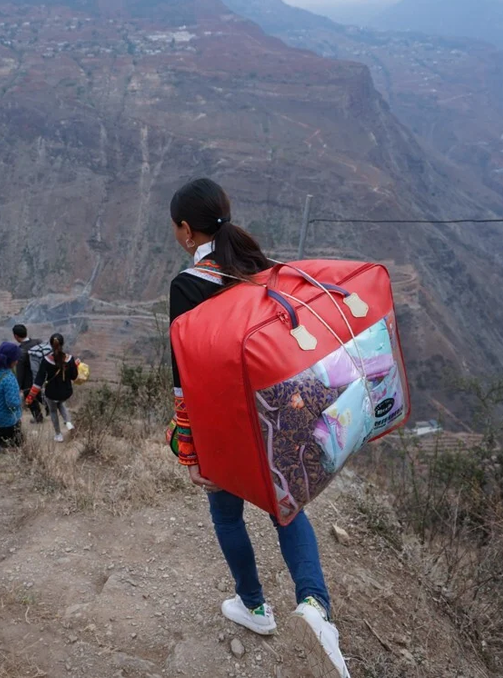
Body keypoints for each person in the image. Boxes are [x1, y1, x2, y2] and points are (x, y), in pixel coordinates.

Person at [167, 178, 349, 677]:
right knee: (287, 511)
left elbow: (185, 380)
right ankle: (314, 607)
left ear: (186, 231)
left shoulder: (187, 285)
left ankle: (254, 607)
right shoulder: (260, 268)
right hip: (280, 416)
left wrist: (190, 451)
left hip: (225, 428)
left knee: (228, 517)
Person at [26, 333, 80, 443]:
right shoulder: (70, 359)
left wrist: (31, 396)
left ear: (51, 345)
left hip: (51, 393)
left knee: (53, 411)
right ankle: (68, 422)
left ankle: (58, 435)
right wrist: (75, 366)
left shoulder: (46, 360)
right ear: (63, 344)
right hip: (66, 392)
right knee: (61, 403)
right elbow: (74, 376)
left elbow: (39, 381)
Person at [0, 342, 24, 454]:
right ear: (11, 360)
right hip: (9, 420)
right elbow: (12, 403)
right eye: (16, 359)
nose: (17, 361)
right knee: (19, 444)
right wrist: (20, 396)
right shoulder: (9, 378)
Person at [12, 324, 47, 424]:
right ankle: (51, 407)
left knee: (30, 398)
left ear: (16, 336)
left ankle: (38, 418)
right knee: (40, 395)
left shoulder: (20, 350)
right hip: (41, 376)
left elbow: (20, 370)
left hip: (29, 380)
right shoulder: (38, 342)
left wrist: (18, 385)